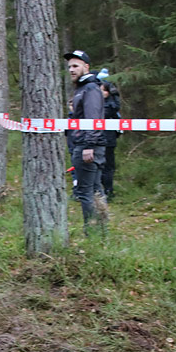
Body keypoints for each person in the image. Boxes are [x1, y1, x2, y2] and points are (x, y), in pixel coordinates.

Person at [64, 50, 107, 233]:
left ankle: (92, 232)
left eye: (75, 66)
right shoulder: (83, 88)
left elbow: (93, 118)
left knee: (86, 192)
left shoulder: (90, 89)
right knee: (95, 189)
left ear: (86, 67)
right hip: (86, 144)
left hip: (87, 146)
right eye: (69, 67)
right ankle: (101, 230)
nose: (72, 70)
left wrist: (89, 145)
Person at [99, 76, 121, 199]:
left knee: (107, 167)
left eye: (103, 90)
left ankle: (108, 191)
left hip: (108, 139)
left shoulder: (110, 105)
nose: (101, 93)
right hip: (98, 138)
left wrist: (115, 95)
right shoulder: (98, 104)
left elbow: (113, 109)